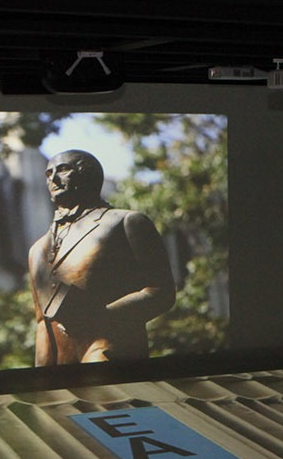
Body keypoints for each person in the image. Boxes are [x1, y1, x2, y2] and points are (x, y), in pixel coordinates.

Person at [28, 148, 176, 365]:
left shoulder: (126, 222)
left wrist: (98, 319)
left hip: (111, 355)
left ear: (89, 174)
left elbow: (161, 292)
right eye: (49, 174)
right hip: (63, 369)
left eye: (63, 169)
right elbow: (43, 323)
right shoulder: (37, 250)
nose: (54, 179)